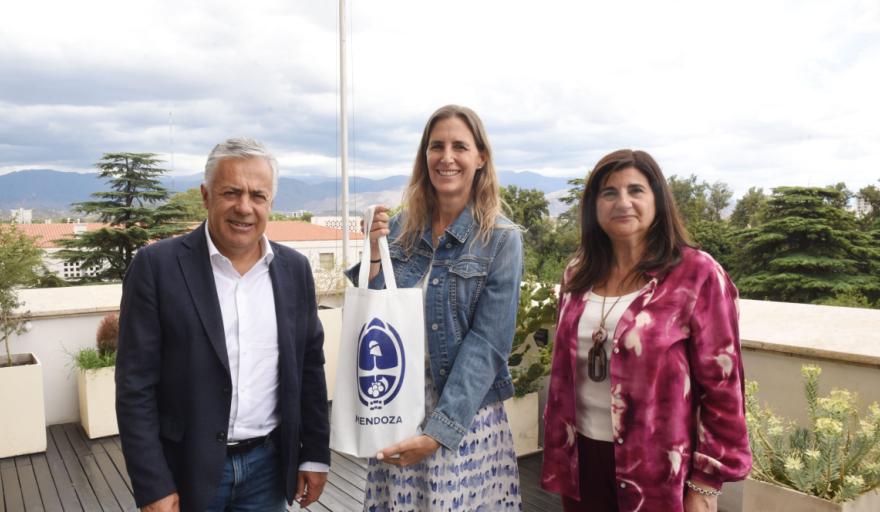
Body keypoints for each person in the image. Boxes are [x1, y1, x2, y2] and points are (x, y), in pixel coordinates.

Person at [116, 137, 330, 512]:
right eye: (231, 192)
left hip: (269, 470)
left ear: (270, 203)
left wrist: (313, 454)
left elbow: (309, 367)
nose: (244, 207)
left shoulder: (295, 270)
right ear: (206, 195)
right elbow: (135, 386)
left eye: (257, 195)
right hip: (185, 471)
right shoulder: (156, 267)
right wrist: (152, 485)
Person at [541, 149, 752, 512]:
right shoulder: (578, 274)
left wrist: (706, 483)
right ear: (594, 207)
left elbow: (723, 387)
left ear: (658, 201)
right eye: (609, 193)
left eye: (635, 190)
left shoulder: (697, 275)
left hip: (658, 469)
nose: (623, 202)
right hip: (581, 460)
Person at [349, 105, 524, 511]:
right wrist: (373, 253)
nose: (447, 157)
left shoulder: (501, 239)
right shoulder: (400, 228)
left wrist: (438, 432)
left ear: (481, 158)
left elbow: (488, 343)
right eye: (436, 146)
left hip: (464, 414)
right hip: (396, 406)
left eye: (459, 146)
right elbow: (376, 315)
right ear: (424, 155)